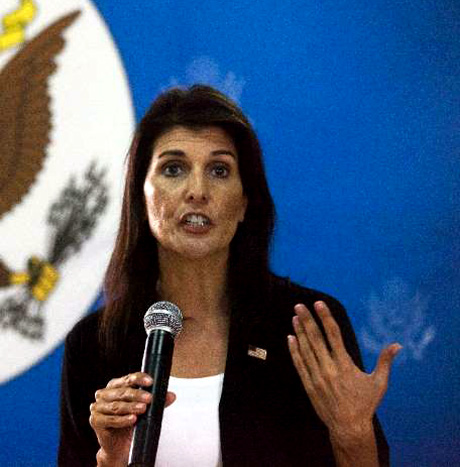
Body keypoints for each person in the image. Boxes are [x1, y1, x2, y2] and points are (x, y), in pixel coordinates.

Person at [58, 85, 400, 466]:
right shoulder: (93, 345)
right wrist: (110, 459)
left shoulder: (304, 328)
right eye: (173, 169)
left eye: (219, 170)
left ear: (244, 203)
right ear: (141, 196)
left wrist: (352, 433)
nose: (197, 191)